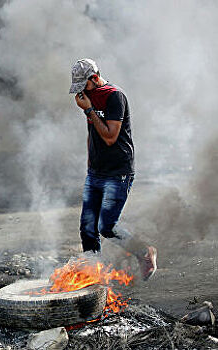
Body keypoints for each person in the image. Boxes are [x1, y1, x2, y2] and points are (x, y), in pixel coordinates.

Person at [69, 58, 157, 280]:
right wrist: (91, 164)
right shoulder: (89, 97)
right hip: (96, 172)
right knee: (87, 228)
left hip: (118, 173)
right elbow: (93, 134)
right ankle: (91, 275)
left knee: (106, 226)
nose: (81, 93)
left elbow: (109, 136)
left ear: (95, 78)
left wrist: (89, 110)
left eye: (83, 86)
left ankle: (144, 252)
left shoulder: (114, 96)